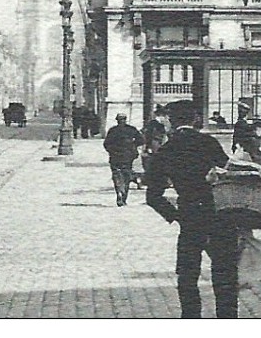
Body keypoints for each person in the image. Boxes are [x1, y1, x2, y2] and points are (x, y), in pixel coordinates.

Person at [146, 99, 240, 319]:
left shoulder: (167, 150)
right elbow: (229, 172)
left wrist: (175, 215)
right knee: (224, 271)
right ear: (195, 119)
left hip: (190, 214)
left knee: (187, 275)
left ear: (171, 120)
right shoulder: (209, 143)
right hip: (218, 212)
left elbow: (153, 196)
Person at [103, 113, 143, 207]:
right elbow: (141, 140)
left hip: (115, 156)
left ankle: (119, 192)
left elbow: (106, 144)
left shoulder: (113, 130)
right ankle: (124, 195)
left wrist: (112, 151)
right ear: (125, 119)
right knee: (126, 175)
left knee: (116, 175)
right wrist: (133, 146)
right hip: (128, 156)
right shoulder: (131, 129)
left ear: (117, 120)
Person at [232, 101, 261, 166]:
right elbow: (240, 135)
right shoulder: (242, 124)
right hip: (247, 145)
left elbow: (236, 136)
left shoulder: (241, 123)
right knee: (257, 158)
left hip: (244, 145)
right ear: (246, 115)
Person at [141, 105, 167, 183]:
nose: (164, 118)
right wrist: (148, 146)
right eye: (163, 115)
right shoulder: (153, 123)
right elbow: (148, 135)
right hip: (154, 144)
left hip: (159, 144)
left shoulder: (160, 124)